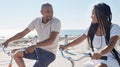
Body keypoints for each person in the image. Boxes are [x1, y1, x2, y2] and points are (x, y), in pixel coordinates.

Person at [60, 3, 120, 67]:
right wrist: (66, 46)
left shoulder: (114, 27)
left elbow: (110, 45)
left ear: (101, 14)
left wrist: (100, 53)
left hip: (110, 59)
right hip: (95, 59)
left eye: (93, 13)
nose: (91, 16)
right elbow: (79, 39)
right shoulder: (92, 28)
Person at [2, 3, 61, 67]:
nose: (50, 13)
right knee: (15, 53)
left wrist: (34, 46)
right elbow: (22, 33)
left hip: (49, 53)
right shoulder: (36, 21)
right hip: (38, 49)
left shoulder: (56, 22)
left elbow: (51, 40)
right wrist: (8, 41)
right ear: (41, 12)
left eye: (51, 11)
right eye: (47, 11)